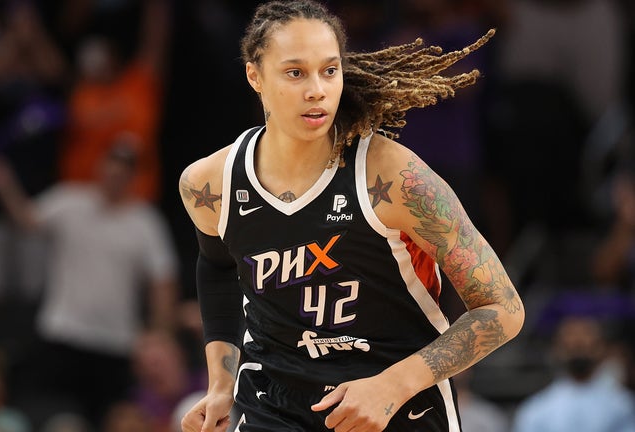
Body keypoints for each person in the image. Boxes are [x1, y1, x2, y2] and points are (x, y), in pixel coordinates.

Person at [177, 1, 524, 431]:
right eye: (295, 72)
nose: (317, 90)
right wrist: (220, 384)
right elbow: (215, 268)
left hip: (397, 404)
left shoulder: (395, 175)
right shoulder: (210, 185)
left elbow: (502, 308)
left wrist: (392, 386)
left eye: (329, 70)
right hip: (274, 402)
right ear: (255, 76)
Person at [0, 134, 180, 427]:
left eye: (124, 169)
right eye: (111, 165)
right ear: (100, 166)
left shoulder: (145, 222)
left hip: (116, 342)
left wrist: (161, 333)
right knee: (60, 419)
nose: (115, 174)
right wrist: (4, 183)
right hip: (64, 333)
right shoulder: (69, 201)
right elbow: (27, 220)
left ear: (134, 176)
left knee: (111, 421)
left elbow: (163, 281)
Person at [512, 315, 635, 432]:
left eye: (586, 345)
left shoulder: (623, 405)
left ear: (601, 348)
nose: (579, 349)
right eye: (572, 346)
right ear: (557, 350)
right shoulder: (537, 409)